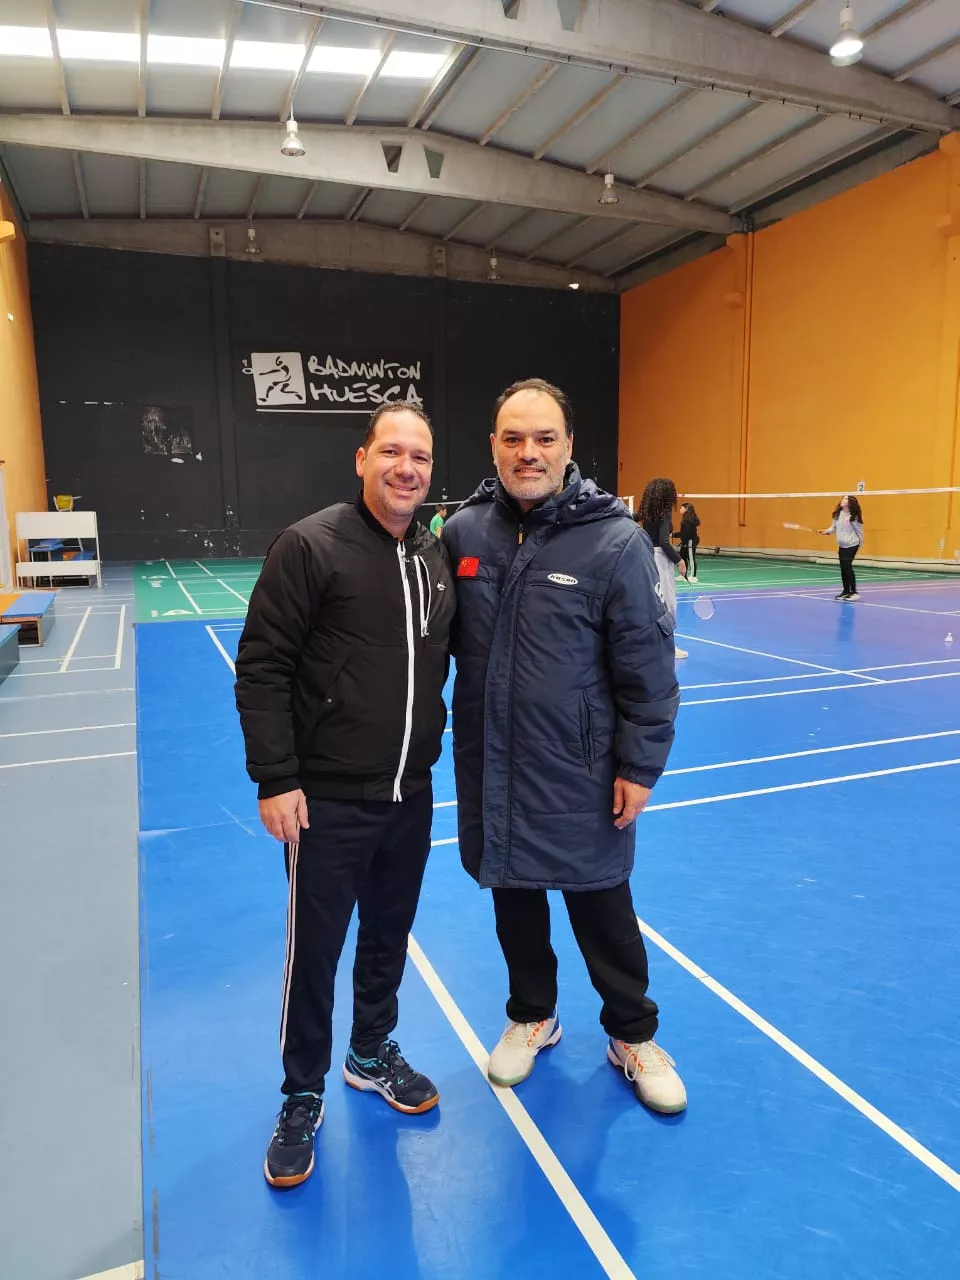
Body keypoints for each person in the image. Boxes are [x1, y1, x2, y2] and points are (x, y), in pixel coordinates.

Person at [443, 378, 686, 1114]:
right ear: (493, 445)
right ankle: (531, 1016)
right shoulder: (463, 533)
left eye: (544, 438)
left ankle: (632, 1034)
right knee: (514, 900)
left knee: (602, 908)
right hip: (496, 766)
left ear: (569, 446)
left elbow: (647, 666)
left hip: (582, 771)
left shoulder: (614, 542)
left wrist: (640, 765)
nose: (528, 452)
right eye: (513, 438)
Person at [234, 403, 456, 1189]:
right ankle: (302, 1091)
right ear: (362, 458)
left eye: (421, 457)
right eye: (391, 451)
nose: (407, 468)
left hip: (411, 794)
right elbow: (262, 667)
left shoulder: (431, 555)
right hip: (323, 799)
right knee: (314, 953)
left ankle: (371, 1050)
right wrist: (277, 776)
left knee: (388, 937)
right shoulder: (310, 546)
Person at [639, 478, 688, 660]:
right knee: (669, 604)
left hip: (646, 555)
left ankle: (651, 644)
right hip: (660, 559)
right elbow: (664, 541)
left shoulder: (647, 511)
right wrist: (679, 560)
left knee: (651, 602)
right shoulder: (664, 512)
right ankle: (669, 646)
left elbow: (633, 519)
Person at [820, 495, 863, 601]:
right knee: (843, 568)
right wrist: (826, 531)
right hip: (842, 546)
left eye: (845, 499)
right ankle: (845, 591)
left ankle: (854, 592)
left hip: (852, 544)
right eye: (843, 498)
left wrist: (860, 544)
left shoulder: (854, 516)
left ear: (850, 503)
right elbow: (833, 527)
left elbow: (859, 531)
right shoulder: (837, 514)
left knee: (847, 567)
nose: (842, 500)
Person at [678, 501, 701, 584]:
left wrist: (674, 535)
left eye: (681, 508)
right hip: (684, 542)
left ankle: (693, 576)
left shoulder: (690, 520)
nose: (680, 509)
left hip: (690, 542)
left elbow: (686, 533)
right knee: (682, 557)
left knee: (691, 558)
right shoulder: (685, 519)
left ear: (686, 509)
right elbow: (683, 533)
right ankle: (683, 575)